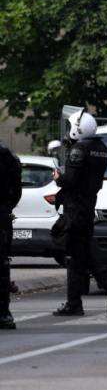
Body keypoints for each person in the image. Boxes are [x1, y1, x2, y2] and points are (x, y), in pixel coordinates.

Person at [53, 109, 107, 316]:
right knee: (80, 255)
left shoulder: (79, 149)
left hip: (76, 209)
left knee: (76, 255)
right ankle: (75, 303)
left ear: (78, 129)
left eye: (71, 128)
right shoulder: (100, 147)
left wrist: (58, 177)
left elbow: (70, 181)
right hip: (87, 207)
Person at [0, 140, 22, 329]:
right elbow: (16, 192)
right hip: (1, 215)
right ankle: (3, 313)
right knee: (2, 264)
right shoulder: (7, 157)